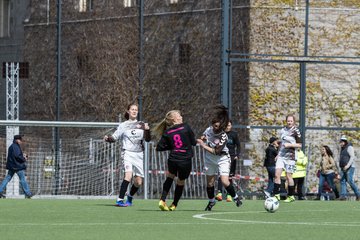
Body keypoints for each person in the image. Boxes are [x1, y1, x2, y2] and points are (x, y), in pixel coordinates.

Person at [104, 103, 151, 207]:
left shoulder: (142, 124)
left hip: (139, 154)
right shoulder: (123, 125)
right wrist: (108, 138)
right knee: (128, 176)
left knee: (138, 182)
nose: (134, 111)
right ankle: (120, 200)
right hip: (127, 153)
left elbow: (147, 139)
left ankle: (130, 197)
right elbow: (114, 138)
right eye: (132, 109)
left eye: (136, 110)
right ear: (128, 111)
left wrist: (147, 130)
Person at [197, 105, 242, 211]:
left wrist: (203, 145)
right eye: (214, 126)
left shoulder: (223, 136)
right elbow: (204, 136)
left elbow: (217, 151)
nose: (215, 128)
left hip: (222, 158)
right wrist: (202, 138)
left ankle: (235, 198)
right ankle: (212, 201)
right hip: (209, 158)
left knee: (225, 181)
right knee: (210, 183)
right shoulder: (209, 130)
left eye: (218, 126)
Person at [153, 110, 197, 211]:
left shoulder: (168, 132)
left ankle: (162, 200)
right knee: (181, 181)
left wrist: (172, 147)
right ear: (174, 119)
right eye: (179, 116)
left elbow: (159, 147)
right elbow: (193, 142)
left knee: (170, 176)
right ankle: (174, 204)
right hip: (185, 160)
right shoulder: (186, 127)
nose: (181, 117)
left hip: (173, 159)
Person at [273, 114, 302, 203]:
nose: (289, 122)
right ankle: (276, 195)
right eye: (288, 121)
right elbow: (282, 143)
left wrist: (290, 145)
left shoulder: (296, 131)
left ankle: (291, 196)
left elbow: (300, 145)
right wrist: (278, 154)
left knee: (288, 176)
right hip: (281, 156)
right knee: (277, 175)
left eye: (291, 121)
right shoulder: (283, 130)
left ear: (294, 122)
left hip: (290, 157)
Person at [0, 134, 33, 199]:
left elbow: (16, 155)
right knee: (23, 179)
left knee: (7, 179)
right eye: (20, 140)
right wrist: (24, 158)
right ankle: (28, 193)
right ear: (17, 140)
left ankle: (0, 190)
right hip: (17, 166)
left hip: (12, 166)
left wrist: (22, 155)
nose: (21, 141)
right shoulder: (15, 146)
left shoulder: (12, 146)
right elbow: (17, 156)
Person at [215, 120, 240, 202]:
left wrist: (237, 155)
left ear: (231, 126)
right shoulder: (221, 134)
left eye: (229, 125)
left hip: (232, 157)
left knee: (229, 176)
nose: (227, 127)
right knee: (221, 175)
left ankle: (229, 195)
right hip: (223, 156)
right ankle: (219, 193)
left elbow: (238, 145)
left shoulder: (234, 134)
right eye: (226, 125)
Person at [338, 135, 360, 201]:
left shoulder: (349, 147)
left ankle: (358, 194)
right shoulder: (342, 148)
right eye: (340, 141)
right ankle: (343, 196)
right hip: (343, 167)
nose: (341, 143)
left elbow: (352, 157)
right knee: (342, 181)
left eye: (342, 141)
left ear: (345, 141)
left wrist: (347, 166)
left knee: (350, 181)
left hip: (350, 167)